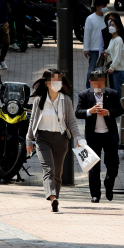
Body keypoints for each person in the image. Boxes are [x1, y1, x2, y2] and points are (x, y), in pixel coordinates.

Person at [26, 69, 82, 213]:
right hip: (42, 139)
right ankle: (52, 198)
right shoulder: (39, 100)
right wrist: (29, 140)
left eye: (59, 80)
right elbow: (32, 121)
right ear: (47, 83)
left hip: (61, 139)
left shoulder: (66, 100)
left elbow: (72, 122)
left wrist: (78, 138)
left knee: (57, 172)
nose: (57, 83)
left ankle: (55, 196)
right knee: (48, 169)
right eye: (54, 81)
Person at [76, 69, 123, 203]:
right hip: (93, 136)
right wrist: (89, 111)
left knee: (113, 165)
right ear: (90, 82)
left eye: (101, 82)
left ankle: (109, 184)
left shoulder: (112, 94)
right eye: (95, 82)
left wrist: (108, 112)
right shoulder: (84, 95)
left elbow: (119, 110)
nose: (98, 85)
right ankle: (95, 194)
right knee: (93, 166)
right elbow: (78, 112)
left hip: (109, 135)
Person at [83, 0, 108, 89]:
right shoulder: (90, 19)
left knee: (102, 70)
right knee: (92, 70)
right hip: (94, 49)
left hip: (104, 49)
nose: (105, 8)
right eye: (103, 6)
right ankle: (88, 87)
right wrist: (86, 48)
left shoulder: (106, 18)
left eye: (105, 6)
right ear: (97, 7)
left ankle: (99, 88)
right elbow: (87, 34)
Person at [103, 19, 124, 98]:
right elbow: (112, 54)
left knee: (118, 93)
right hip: (113, 70)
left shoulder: (118, 40)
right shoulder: (112, 40)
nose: (111, 27)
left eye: (113, 25)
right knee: (114, 93)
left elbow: (117, 56)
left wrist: (112, 68)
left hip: (118, 70)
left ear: (118, 28)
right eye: (110, 25)